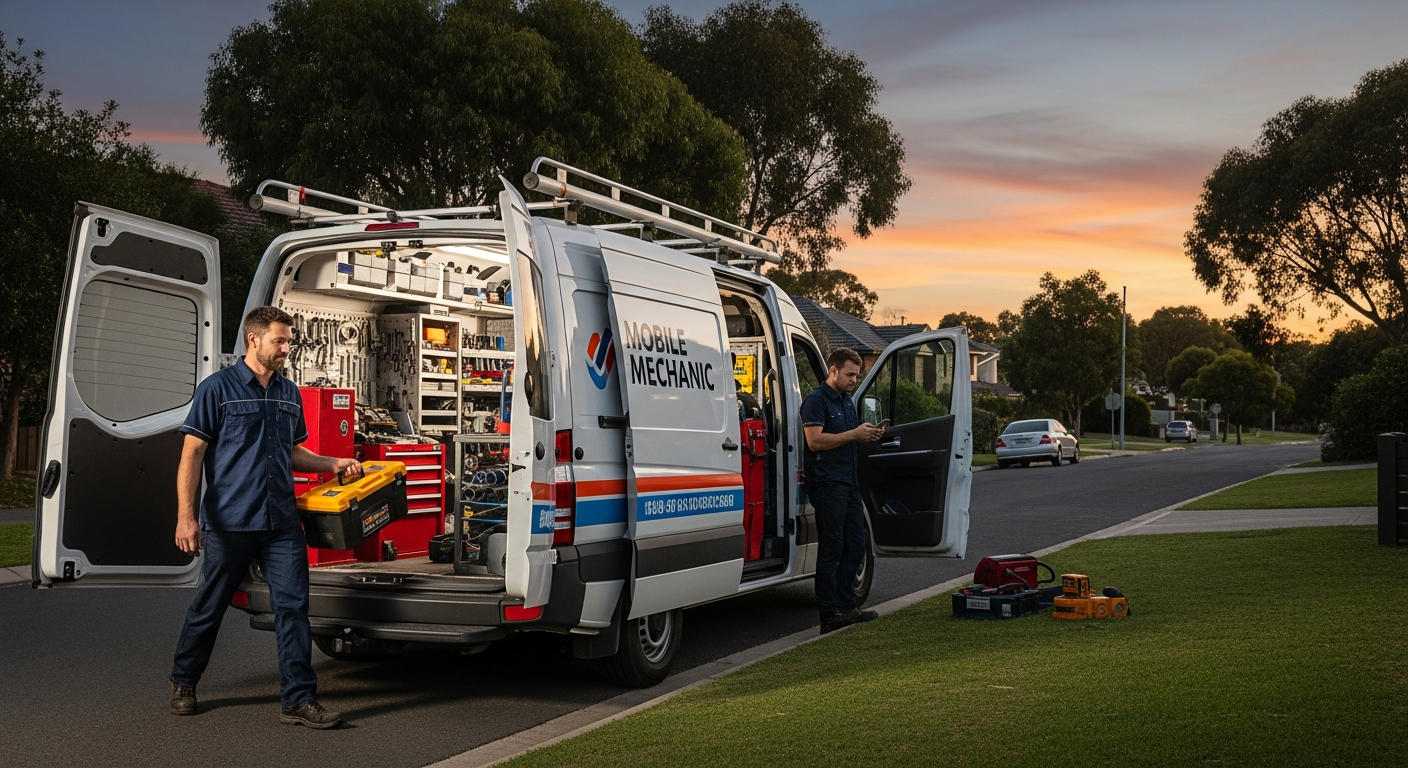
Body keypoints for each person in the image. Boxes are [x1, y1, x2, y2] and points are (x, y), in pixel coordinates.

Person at [169, 306, 362, 728]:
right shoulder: (217, 389)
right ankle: (184, 680)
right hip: (230, 522)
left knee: (293, 607)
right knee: (211, 605)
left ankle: (298, 699)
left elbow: (296, 451)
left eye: (288, 341)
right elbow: (192, 454)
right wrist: (187, 518)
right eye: (280, 341)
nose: (286, 349)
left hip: (281, 522)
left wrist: (330, 463)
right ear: (253, 340)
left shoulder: (288, 392)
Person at [801, 347, 885, 633]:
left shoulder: (847, 402)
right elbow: (814, 441)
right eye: (849, 374)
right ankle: (829, 615)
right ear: (833, 370)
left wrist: (867, 435)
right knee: (831, 548)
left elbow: (845, 440)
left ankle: (846, 607)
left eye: (856, 375)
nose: (853, 380)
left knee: (856, 545)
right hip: (827, 483)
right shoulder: (815, 401)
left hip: (849, 482)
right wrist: (853, 434)